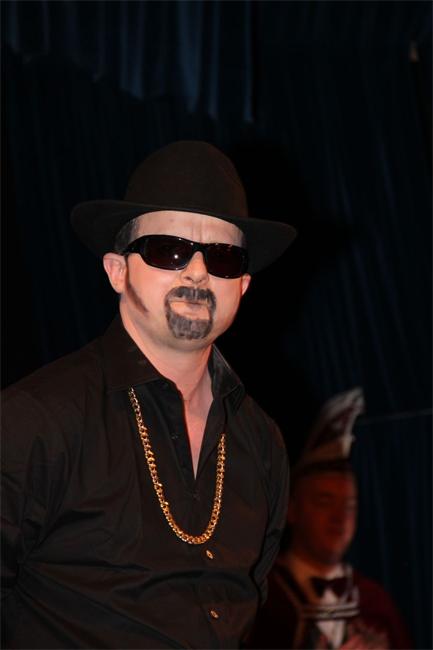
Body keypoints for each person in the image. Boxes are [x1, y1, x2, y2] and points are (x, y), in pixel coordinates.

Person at [1, 140, 297, 649]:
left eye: (222, 258)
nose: (197, 272)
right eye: (169, 250)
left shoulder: (261, 442)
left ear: (243, 286)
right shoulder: (36, 420)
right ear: (117, 271)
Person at [248, 388, 413, 650]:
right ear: (292, 509)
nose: (340, 517)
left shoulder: (375, 601)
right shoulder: (261, 597)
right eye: (324, 502)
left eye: (349, 505)